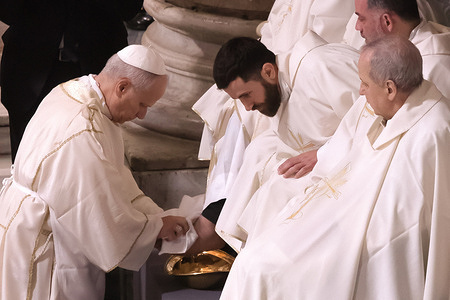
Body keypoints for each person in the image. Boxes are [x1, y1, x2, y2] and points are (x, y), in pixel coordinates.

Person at [219, 36, 450, 300]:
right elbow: (349, 148)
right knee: (253, 258)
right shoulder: (383, 107)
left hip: (381, 236)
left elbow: (425, 219)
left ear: (389, 89)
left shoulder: (434, 131)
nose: (360, 91)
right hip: (349, 210)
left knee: (262, 270)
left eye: (364, 83)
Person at [0, 45, 189, 299]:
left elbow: (112, 177)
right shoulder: (82, 129)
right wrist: (154, 228)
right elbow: (100, 212)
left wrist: (154, 216)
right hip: (45, 243)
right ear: (122, 87)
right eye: (143, 104)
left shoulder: (75, 91)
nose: (142, 115)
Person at [187, 37, 361, 253]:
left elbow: (376, 124)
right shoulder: (284, 82)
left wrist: (324, 154)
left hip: (353, 162)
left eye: (246, 95)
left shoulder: (323, 66)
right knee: (258, 152)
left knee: (276, 190)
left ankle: (262, 261)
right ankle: (240, 249)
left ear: (268, 71)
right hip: (325, 156)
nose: (247, 107)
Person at [0, 0, 143, 161]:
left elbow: (130, 8)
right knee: (26, 165)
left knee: (91, 164)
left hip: (99, 71)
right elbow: (7, 12)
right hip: (30, 70)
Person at [349, 0, 450, 98]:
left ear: (387, 21)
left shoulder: (430, 67)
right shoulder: (393, 51)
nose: (357, 27)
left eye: (361, 19)